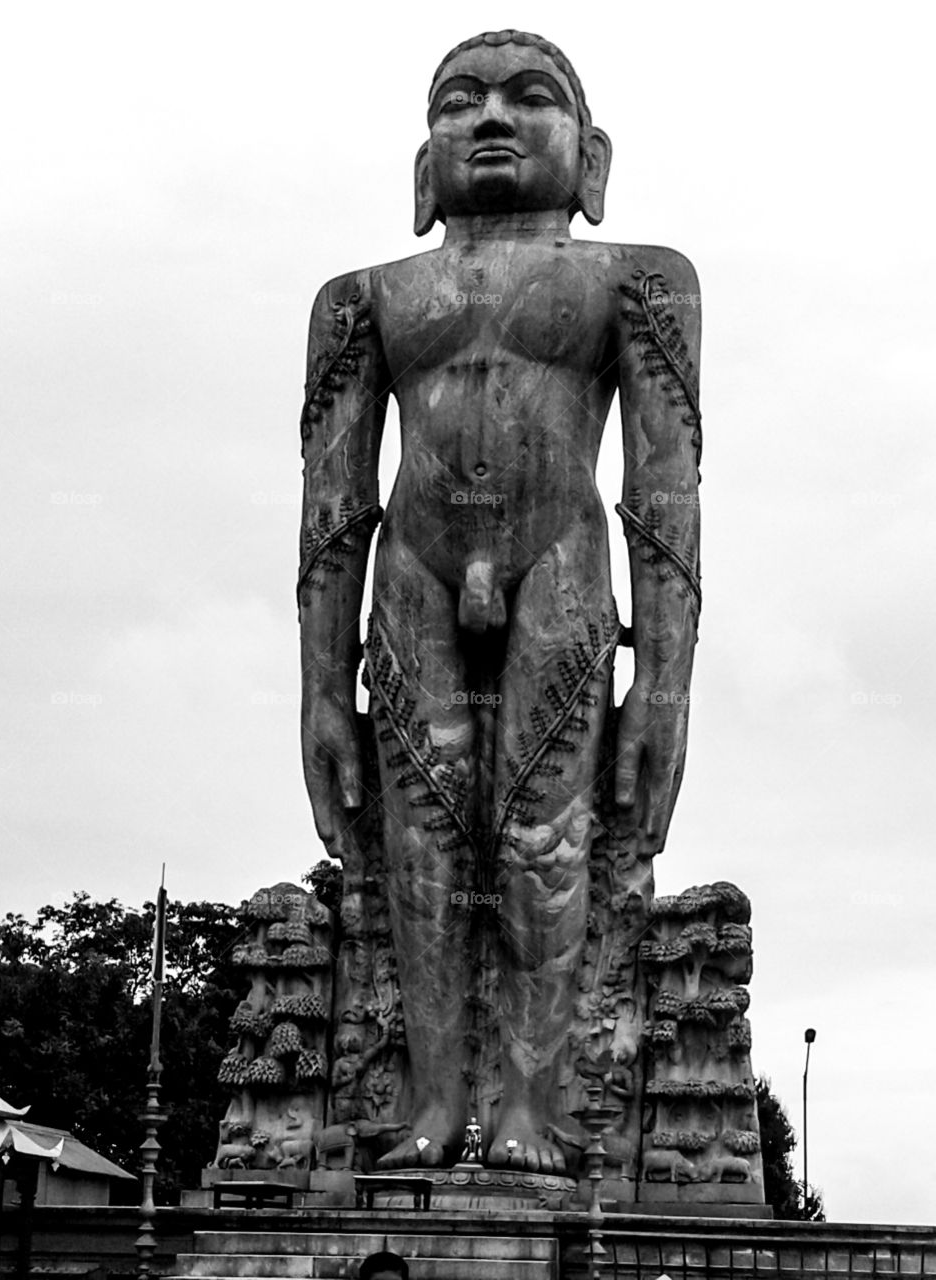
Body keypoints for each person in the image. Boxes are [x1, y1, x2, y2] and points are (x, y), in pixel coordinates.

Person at [299, 29, 700, 1174]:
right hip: (414, 570)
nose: (489, 118)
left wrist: (663, 685)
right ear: (420, 166)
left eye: (529, 99)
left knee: (545, 833)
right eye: (457, 102)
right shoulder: (364, 299)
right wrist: (320, 690)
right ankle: (433, 1101)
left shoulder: (635, 281)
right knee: (417, 838)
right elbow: (333, 500)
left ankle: (526, 1104)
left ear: (589, 155)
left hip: (560, 558)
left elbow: (663, 489)